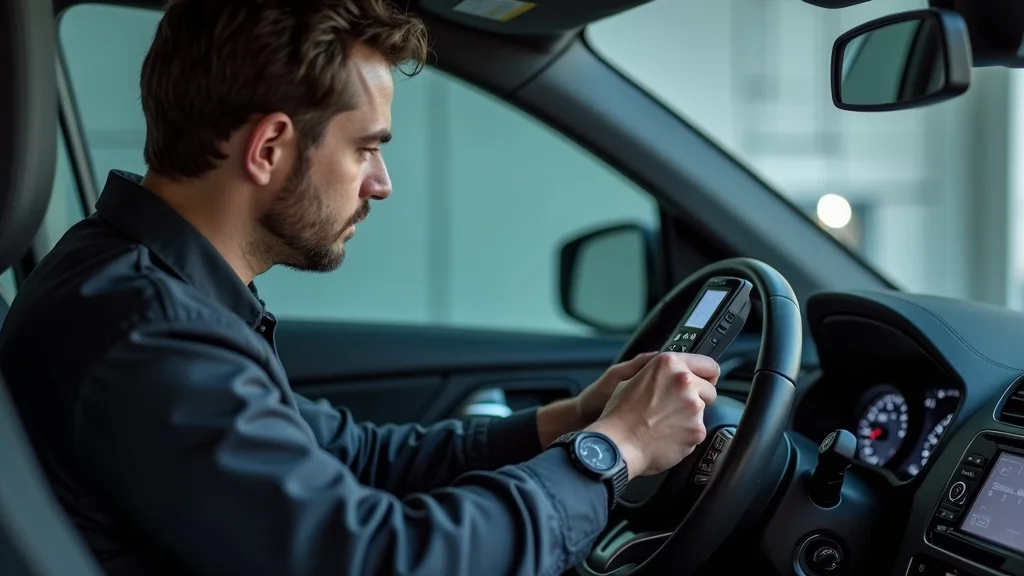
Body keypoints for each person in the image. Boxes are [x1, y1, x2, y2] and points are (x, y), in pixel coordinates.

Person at [0, 0, 720, 574]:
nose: (382, 183)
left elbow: (355, 458)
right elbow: (382, 559)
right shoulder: (145, 332)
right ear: (270, 148)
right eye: (367, 147)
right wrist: (613, 451)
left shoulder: (139, 284)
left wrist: (570, 421)